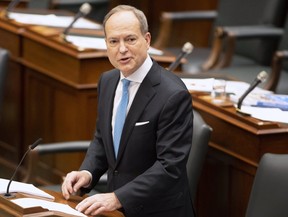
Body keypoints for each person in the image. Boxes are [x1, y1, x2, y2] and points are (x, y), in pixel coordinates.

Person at [61, 4, 194, 217]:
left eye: (130, 39)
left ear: (147, 40)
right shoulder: (108, 81)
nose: (122, 49)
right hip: (118, 210)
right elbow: (104, 140)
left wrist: (117, 197)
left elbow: (169, 167)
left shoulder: (173, 94)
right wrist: (87, 172)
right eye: (113, 41)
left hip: (158, 211)